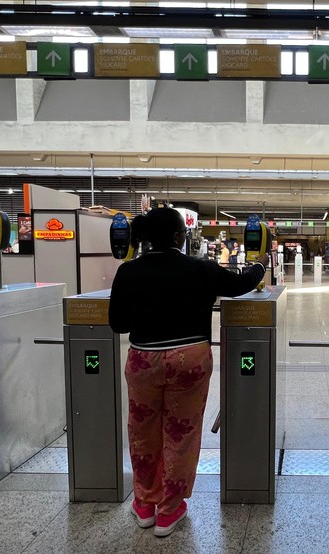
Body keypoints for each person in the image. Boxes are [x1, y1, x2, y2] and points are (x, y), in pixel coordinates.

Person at [109, 208, 268, 537]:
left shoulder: (128, 272)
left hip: (143, 361)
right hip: (189, 359)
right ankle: (169, 511)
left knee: (143, 432)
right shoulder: (201, 269)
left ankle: (144, 505)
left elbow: (118, 323)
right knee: (180, 435)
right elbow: (240, 285)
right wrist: (261, 265)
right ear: (181, 237)